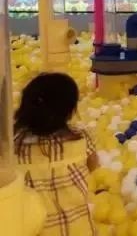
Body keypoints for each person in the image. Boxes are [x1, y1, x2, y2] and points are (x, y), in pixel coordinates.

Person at [14, 72, 98, 236]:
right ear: (69, 111)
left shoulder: (14, 145)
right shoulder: (80, 138)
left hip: (35, 231)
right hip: (79, 229)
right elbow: (93, 165)